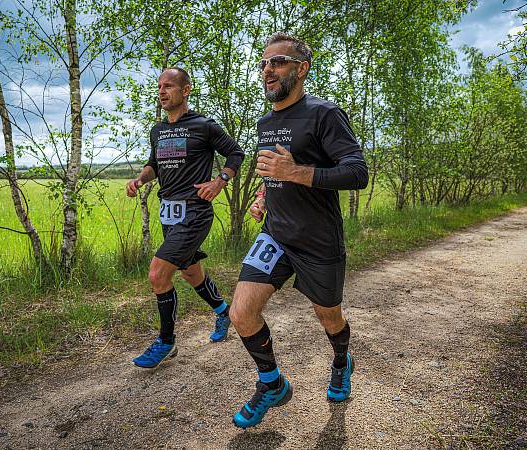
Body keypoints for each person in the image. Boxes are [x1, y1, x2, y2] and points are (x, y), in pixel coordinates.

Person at [228, 33, 368, 429]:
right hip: (276, 234)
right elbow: (276, 172)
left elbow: (357, 172)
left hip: (318, 239)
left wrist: (294, 172)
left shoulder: (324, 114)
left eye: (278, 62)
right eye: (263, 64)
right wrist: (264, 194)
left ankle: (342, 361)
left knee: (329, 317)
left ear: (301, 69)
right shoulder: (265, 122)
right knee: (241, 312)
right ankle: (272, 383)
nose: (267, 70)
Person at [126, 67, 245, 368]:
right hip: (169, 214)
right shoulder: (158, 130)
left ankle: (167, 342)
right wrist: (140, 179)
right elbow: (154, 164)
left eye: (168, 86)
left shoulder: (204, 126)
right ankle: (222, 312)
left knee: (157, 274)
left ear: (186, 90)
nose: (162, 92)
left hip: (195, 212)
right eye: (159, 87)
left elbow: (236, 154)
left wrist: (220, 181)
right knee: (192, 274)